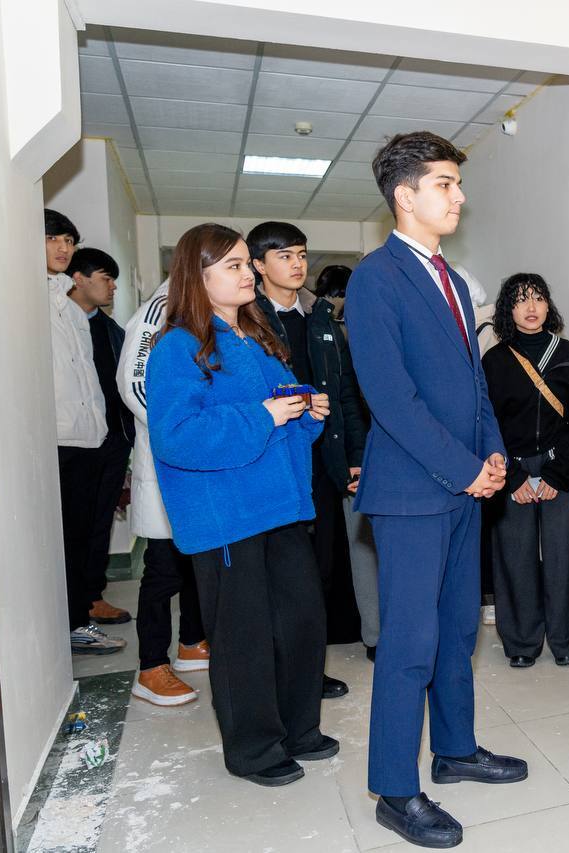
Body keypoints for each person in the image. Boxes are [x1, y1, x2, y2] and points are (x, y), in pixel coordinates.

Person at [346, 131, 526, 849]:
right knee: (410, 642)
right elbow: (391, 397)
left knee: (458, 631)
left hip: (462, 485)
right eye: (445, 184)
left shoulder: (450, 277)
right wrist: (463, 466)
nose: (459, 197)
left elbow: (473, 381)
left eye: (456, 183)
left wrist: (494, 453)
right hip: (412, 491)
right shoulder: (376, 278)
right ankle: (394, 788)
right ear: (405, 195)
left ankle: (454, 750)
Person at [147, 223, 336, 788]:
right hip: (227, 517)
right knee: (244, 638)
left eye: (245, 263)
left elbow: (279, 418)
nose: (247, 272)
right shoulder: (178, 347)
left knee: (301, 623)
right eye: (232, 265)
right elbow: (176, 437)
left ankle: (298, 729)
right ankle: (253, 749)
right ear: (197, 277)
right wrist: (264, 416)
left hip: (280, 507)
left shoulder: (255, 338)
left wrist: (305, 414)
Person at [247, 222, 364, 699]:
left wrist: (355, 456)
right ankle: (275, 673)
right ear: (259, 265)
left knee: (319, 572)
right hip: (274, 464)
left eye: (300, 254)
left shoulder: (322, 319)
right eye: (284, 256)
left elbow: (345, 392)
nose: (297, 264)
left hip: (324, 464)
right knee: (278, 575)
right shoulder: (247, 323)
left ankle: (308, 671)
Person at [481, 273, 569, 668]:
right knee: (514, 557)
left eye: (538, 298)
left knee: (565, 556)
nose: (531, 307)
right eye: (520, 299)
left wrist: (557, 474)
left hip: (561, 466)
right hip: (509, 470)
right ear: (507, 309)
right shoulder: (494, 361)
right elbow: (485, 423)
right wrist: (512, 478)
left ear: (549, 306)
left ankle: (566, 640)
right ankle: (521, 641)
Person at [117, 277, 210, 707]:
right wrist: (182, 431)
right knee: (163, 569)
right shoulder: (159, 310)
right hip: (167, 461)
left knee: (195, 561)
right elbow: (134, 385)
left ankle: (192, 643)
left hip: (200, 462)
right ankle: (151, 666)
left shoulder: (205, 312)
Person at [44, 210, 126, 655]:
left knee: (83, 534)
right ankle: (72, 621)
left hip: (94, 439)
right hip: (60, 441)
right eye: (53, 239)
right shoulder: (34, 302)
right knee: (67, 539)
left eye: (68, 241)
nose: (63, 248)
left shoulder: (77, 313)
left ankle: (79, 617)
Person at [65, 248, 136, 627]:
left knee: (100, 522)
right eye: (106, 278)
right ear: (78, 278)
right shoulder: (58, 325)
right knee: (74, 525)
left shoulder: (112, 331)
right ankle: (73, 602)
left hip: (112, 442)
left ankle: (92, 596)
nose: (112, 287)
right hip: (73, 444)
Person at [313, 263, 380, 661]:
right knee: (361, 547)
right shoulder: (326, 332)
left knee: (369, 548)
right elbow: (343, 400)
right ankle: (374, 634)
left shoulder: (377, 328)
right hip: (351, 454)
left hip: (375, 451)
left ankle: (379, 632)